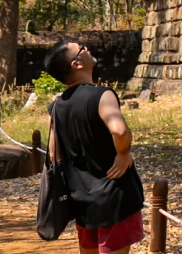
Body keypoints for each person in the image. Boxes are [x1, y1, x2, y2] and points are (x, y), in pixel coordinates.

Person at [44, 39, 144, 254]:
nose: (87, 48)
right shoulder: (102, 95)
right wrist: (123, 153)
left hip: (82, 198)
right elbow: (119, 130)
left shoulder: (56, 106)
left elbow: (53, 153)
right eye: (82, 49)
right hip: (114, 196)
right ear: (76, 64)